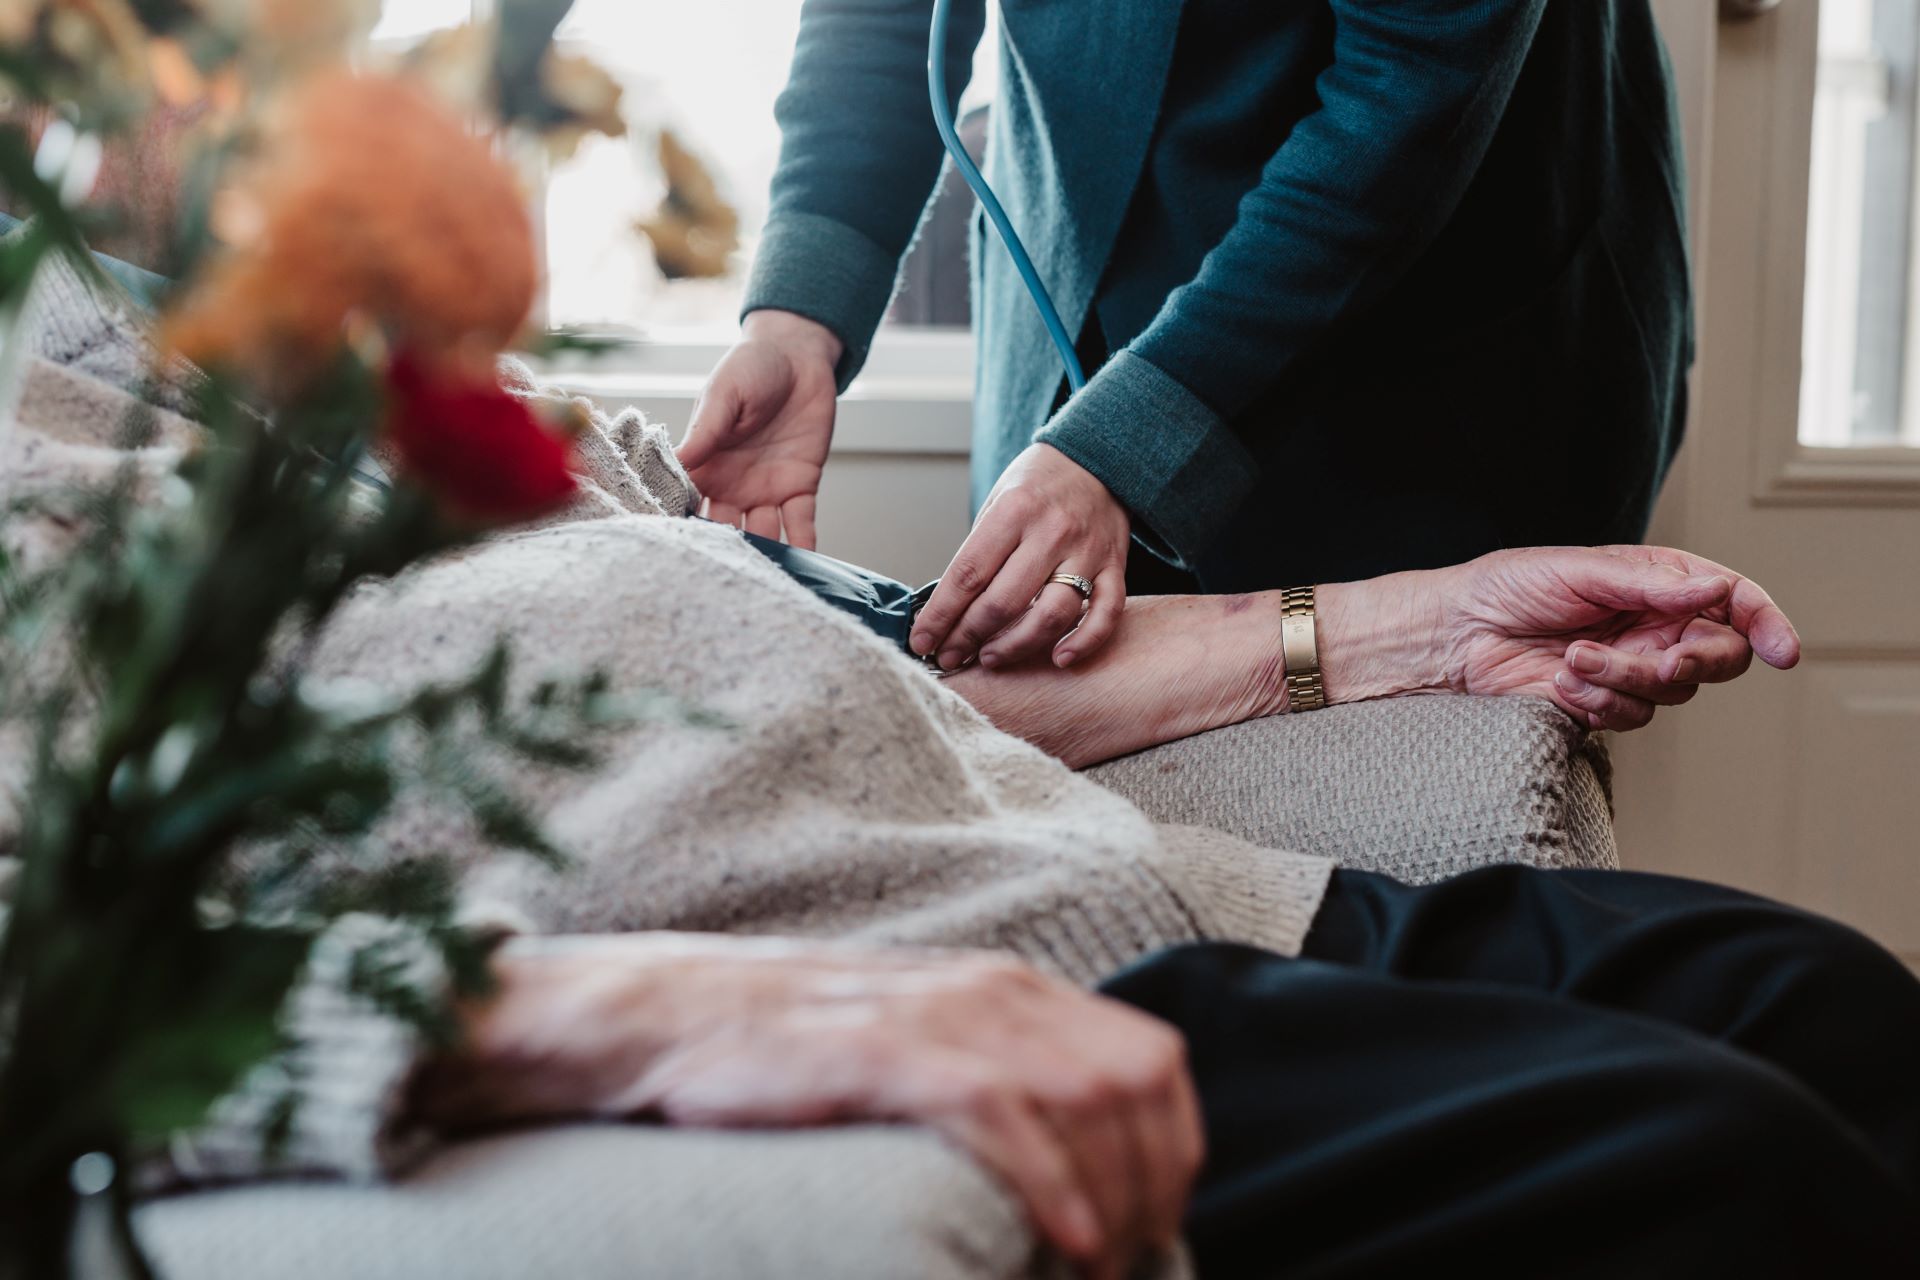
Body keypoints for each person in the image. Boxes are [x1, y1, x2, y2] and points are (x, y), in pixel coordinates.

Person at [14, 346, 1888, 1278]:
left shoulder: (201, 333)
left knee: (1822, 1001)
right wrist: (599, 1011)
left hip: (1141, 883)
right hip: (867, 970)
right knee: (1732, 1175)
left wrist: (1393, 626)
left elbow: (880, 648)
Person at [681, 0, 1692, 680]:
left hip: (1427, 327)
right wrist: (800, 312)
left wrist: (1138, 436)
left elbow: (1415, 83)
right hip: (1076, 313)